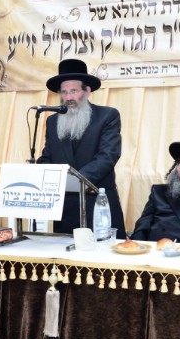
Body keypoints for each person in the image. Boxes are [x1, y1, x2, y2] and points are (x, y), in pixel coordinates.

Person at [37, 58, 126, 237]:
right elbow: (48, 157)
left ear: (87, 91)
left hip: (98, 205)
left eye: (74, 91)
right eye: (64, 92)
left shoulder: (107, 116)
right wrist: (38, 173)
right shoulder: (53, 121)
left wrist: (74, 182)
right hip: (65, 210)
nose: (68, 98)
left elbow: (107, 157)